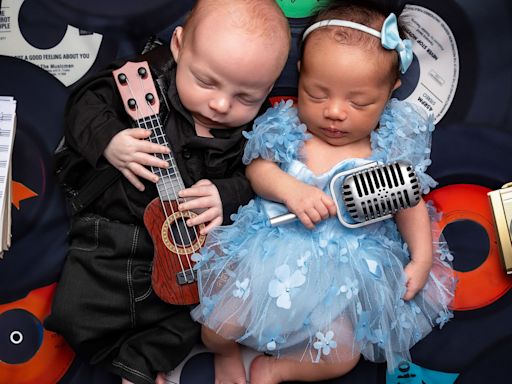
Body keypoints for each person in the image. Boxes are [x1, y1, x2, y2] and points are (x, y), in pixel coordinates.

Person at [191, 1, 457, 383]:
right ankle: (225, 352)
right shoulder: (289, 128)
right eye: (317, 94)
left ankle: (276, 369)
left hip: (345, 273)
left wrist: (421, 258)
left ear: (390, 92)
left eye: (359, 102)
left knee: (343, 354)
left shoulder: (388, 147)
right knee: (216, 326)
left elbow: (409, 202)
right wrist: (290, 189)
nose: (335, 112)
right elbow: (258, 168)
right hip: (270, 254)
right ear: (300, 75)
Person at [44, 1, 291, 383]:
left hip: (191, 253)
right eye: (206, 82)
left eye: (246, 97)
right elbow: (84, 104)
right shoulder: (144, 79)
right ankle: (120, 357)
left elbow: (260, 179)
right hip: (113, 236)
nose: (221, 104)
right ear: (178, 46)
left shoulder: (257, 130)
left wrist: (225, 194)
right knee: (75, 314)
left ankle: (137, 365)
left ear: (269, 88)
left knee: (205, 314)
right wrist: (110, 141)